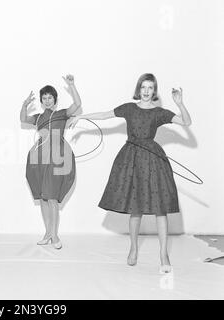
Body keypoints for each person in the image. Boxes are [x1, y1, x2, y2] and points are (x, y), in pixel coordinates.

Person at [70, 73, 191, 273]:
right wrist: (81, 116)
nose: (146, 91)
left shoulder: (159, 112)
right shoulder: (129, 108)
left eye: (150, 88)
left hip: (153, 159)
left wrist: (180, 103)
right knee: (136, 208)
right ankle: (133, 248)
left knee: (160, 209)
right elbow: (105, 115)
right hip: (131, 159)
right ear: (138, 89)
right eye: (143, 87)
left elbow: (186, 122)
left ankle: (164, 254)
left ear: (154, 91)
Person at [20, 75, 81, 249]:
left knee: (52, 197)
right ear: (41, 101)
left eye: (50, 97)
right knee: (43, 198)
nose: (47, 100)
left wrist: (72, 85)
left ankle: (54, 235)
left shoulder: (61, 114)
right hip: (39, 158)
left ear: (55, 99)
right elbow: (23, 119)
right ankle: (47, 233)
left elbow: (77, 105)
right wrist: (24, 105)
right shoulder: (38, 118)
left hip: (57, 157)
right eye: (44, 98)